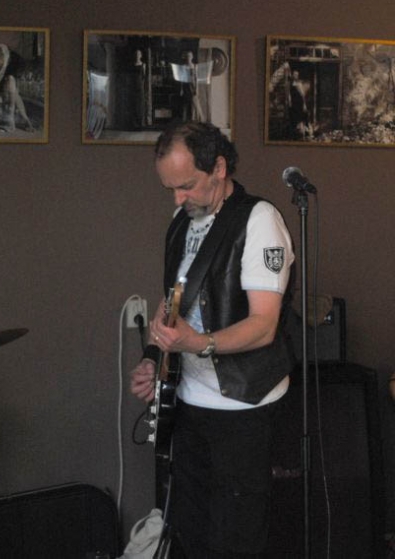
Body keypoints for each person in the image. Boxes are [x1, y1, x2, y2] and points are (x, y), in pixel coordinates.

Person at [130, 121, 295, 558]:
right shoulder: (181, 221)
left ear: (219, 168)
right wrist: (153, 356)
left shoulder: (259, 221)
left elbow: (264, 325)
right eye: (170, 189)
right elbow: (174, 304)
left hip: (244, 407)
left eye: (186, 186)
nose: (177, 199)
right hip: (188, 401)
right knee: (191, 534)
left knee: (235, 540)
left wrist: (197, 343)